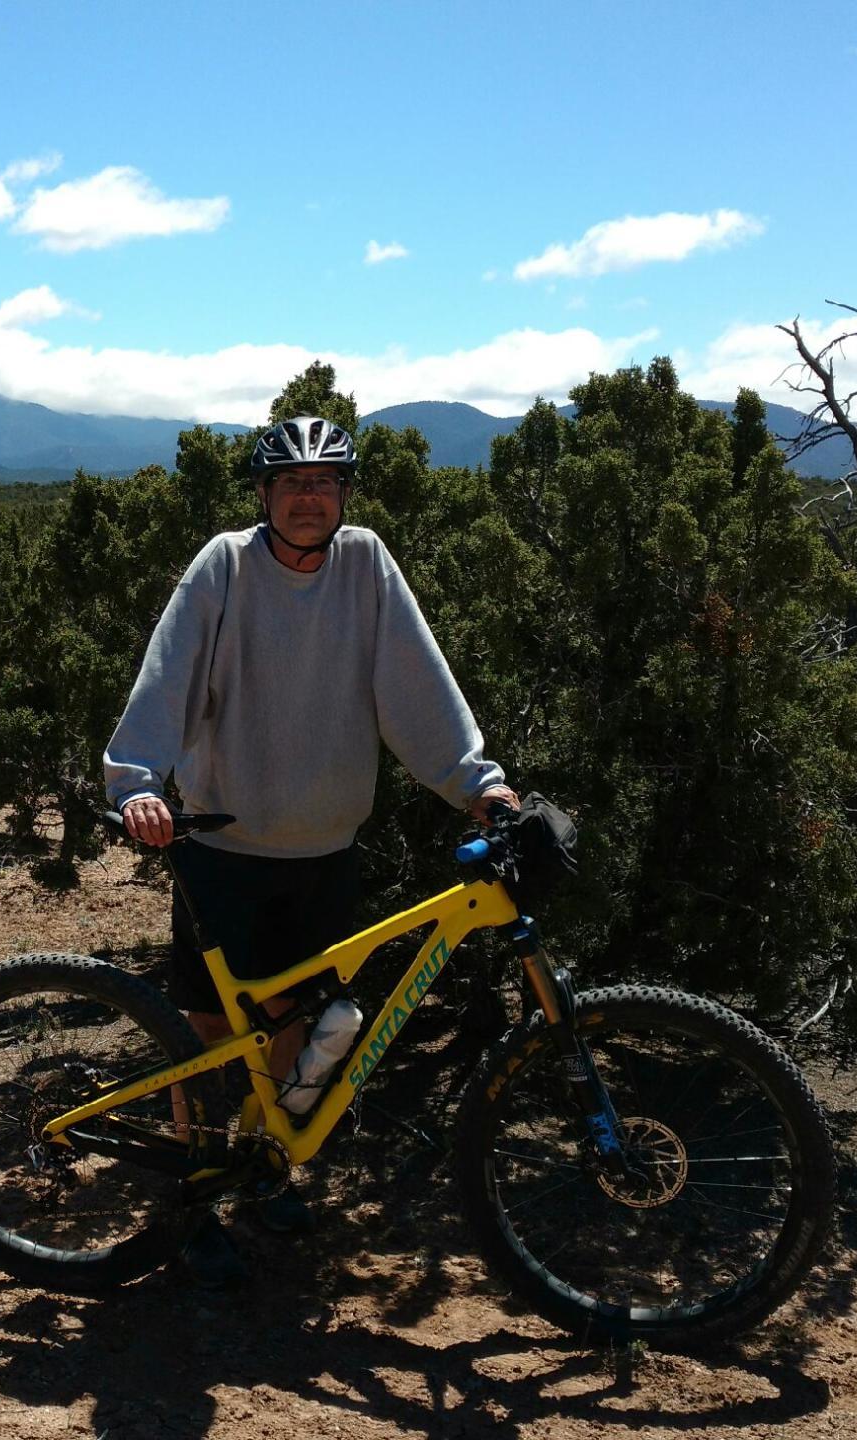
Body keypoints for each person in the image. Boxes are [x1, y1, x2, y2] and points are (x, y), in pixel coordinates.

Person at [102, 414, 517, 1284]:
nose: (307, 498)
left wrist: (477, 783)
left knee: (294, 1029)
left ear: (344, 496)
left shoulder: (365, 565)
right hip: (226, 847)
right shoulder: (225, 567)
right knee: (211, 1037)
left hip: (326, 848)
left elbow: (418, 686)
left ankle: (266, 1171)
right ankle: (199, 1189)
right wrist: (137, 781)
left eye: (324, 483)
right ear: (263, 495)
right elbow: (167, 672)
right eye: (291, 483)